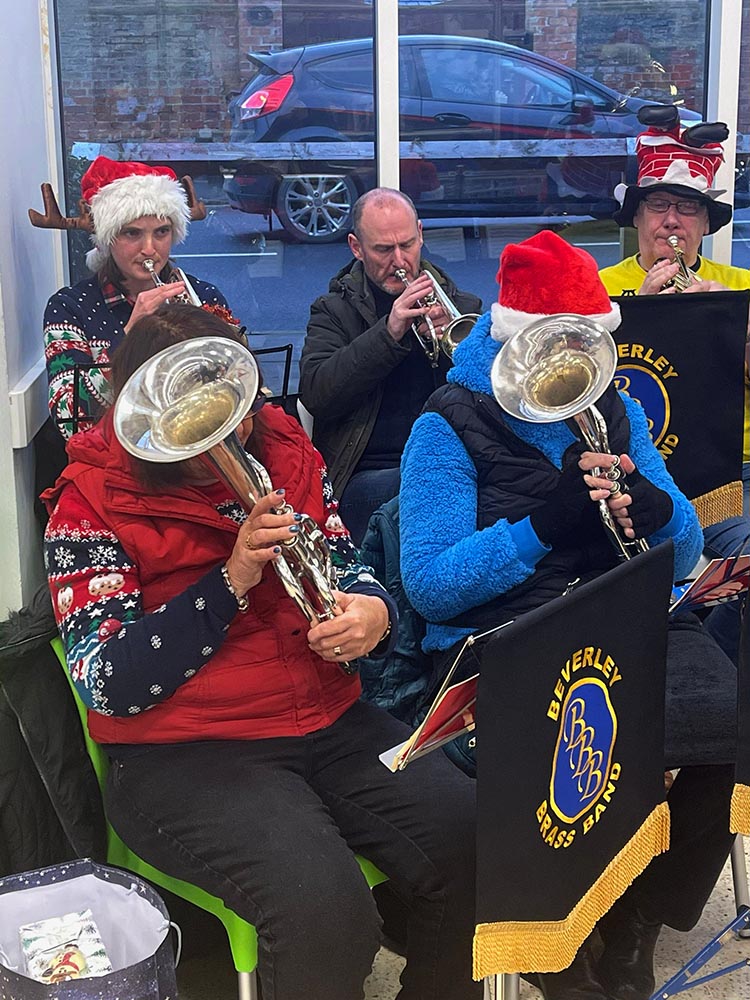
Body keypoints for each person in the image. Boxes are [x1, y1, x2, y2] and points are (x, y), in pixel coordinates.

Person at [43, 302, 480, 1000]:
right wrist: (229, 583)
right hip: (185, 751)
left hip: (327, 719)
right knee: (326, 914)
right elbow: (107, 680)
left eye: (235, 403)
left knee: (478, 839)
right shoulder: (90, 502)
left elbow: (341, 558)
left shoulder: (287, 450)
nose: (232, 433)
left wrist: (374, 611)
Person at [399, 230, 737, 1000]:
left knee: (730, 720)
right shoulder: (446, 425)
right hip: (509, 633)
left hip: (614, 606)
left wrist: (656, 510)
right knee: (578, 753)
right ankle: (562, 954)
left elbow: (682, 547)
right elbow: (429, 586)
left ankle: (638, 919)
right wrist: (540, 528)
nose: (578, 374)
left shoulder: (610, 404)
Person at [599, 109, 750, 662]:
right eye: (659, 206)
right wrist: (641, 310)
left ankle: (706, 656)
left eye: (687, 209)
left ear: (707, 226)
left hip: (729, 482)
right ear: (636, 219)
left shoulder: (740, 289)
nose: (672, 221)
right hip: (629, 476)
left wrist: (714, 320)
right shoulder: (597, 291)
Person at [299, 187, 482, 545]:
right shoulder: (333, 310)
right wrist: (389, 333)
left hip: (451, 458)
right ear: (356, 247)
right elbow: (318, 393)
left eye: (408, 245)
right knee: (429, 486)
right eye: (383, 249)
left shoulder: (462, 305)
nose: (399, 260)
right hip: (370, 473)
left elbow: (491, 397)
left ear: (421, 235)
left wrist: (452, 350)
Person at [33, 156, 233, 438]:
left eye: (161, 232)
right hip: (111, 461)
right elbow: (69, 419)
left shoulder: (204, 295)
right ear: (107, 237)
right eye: (132, 233)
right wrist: (130, 335)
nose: (149, 249)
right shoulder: (69, 308)